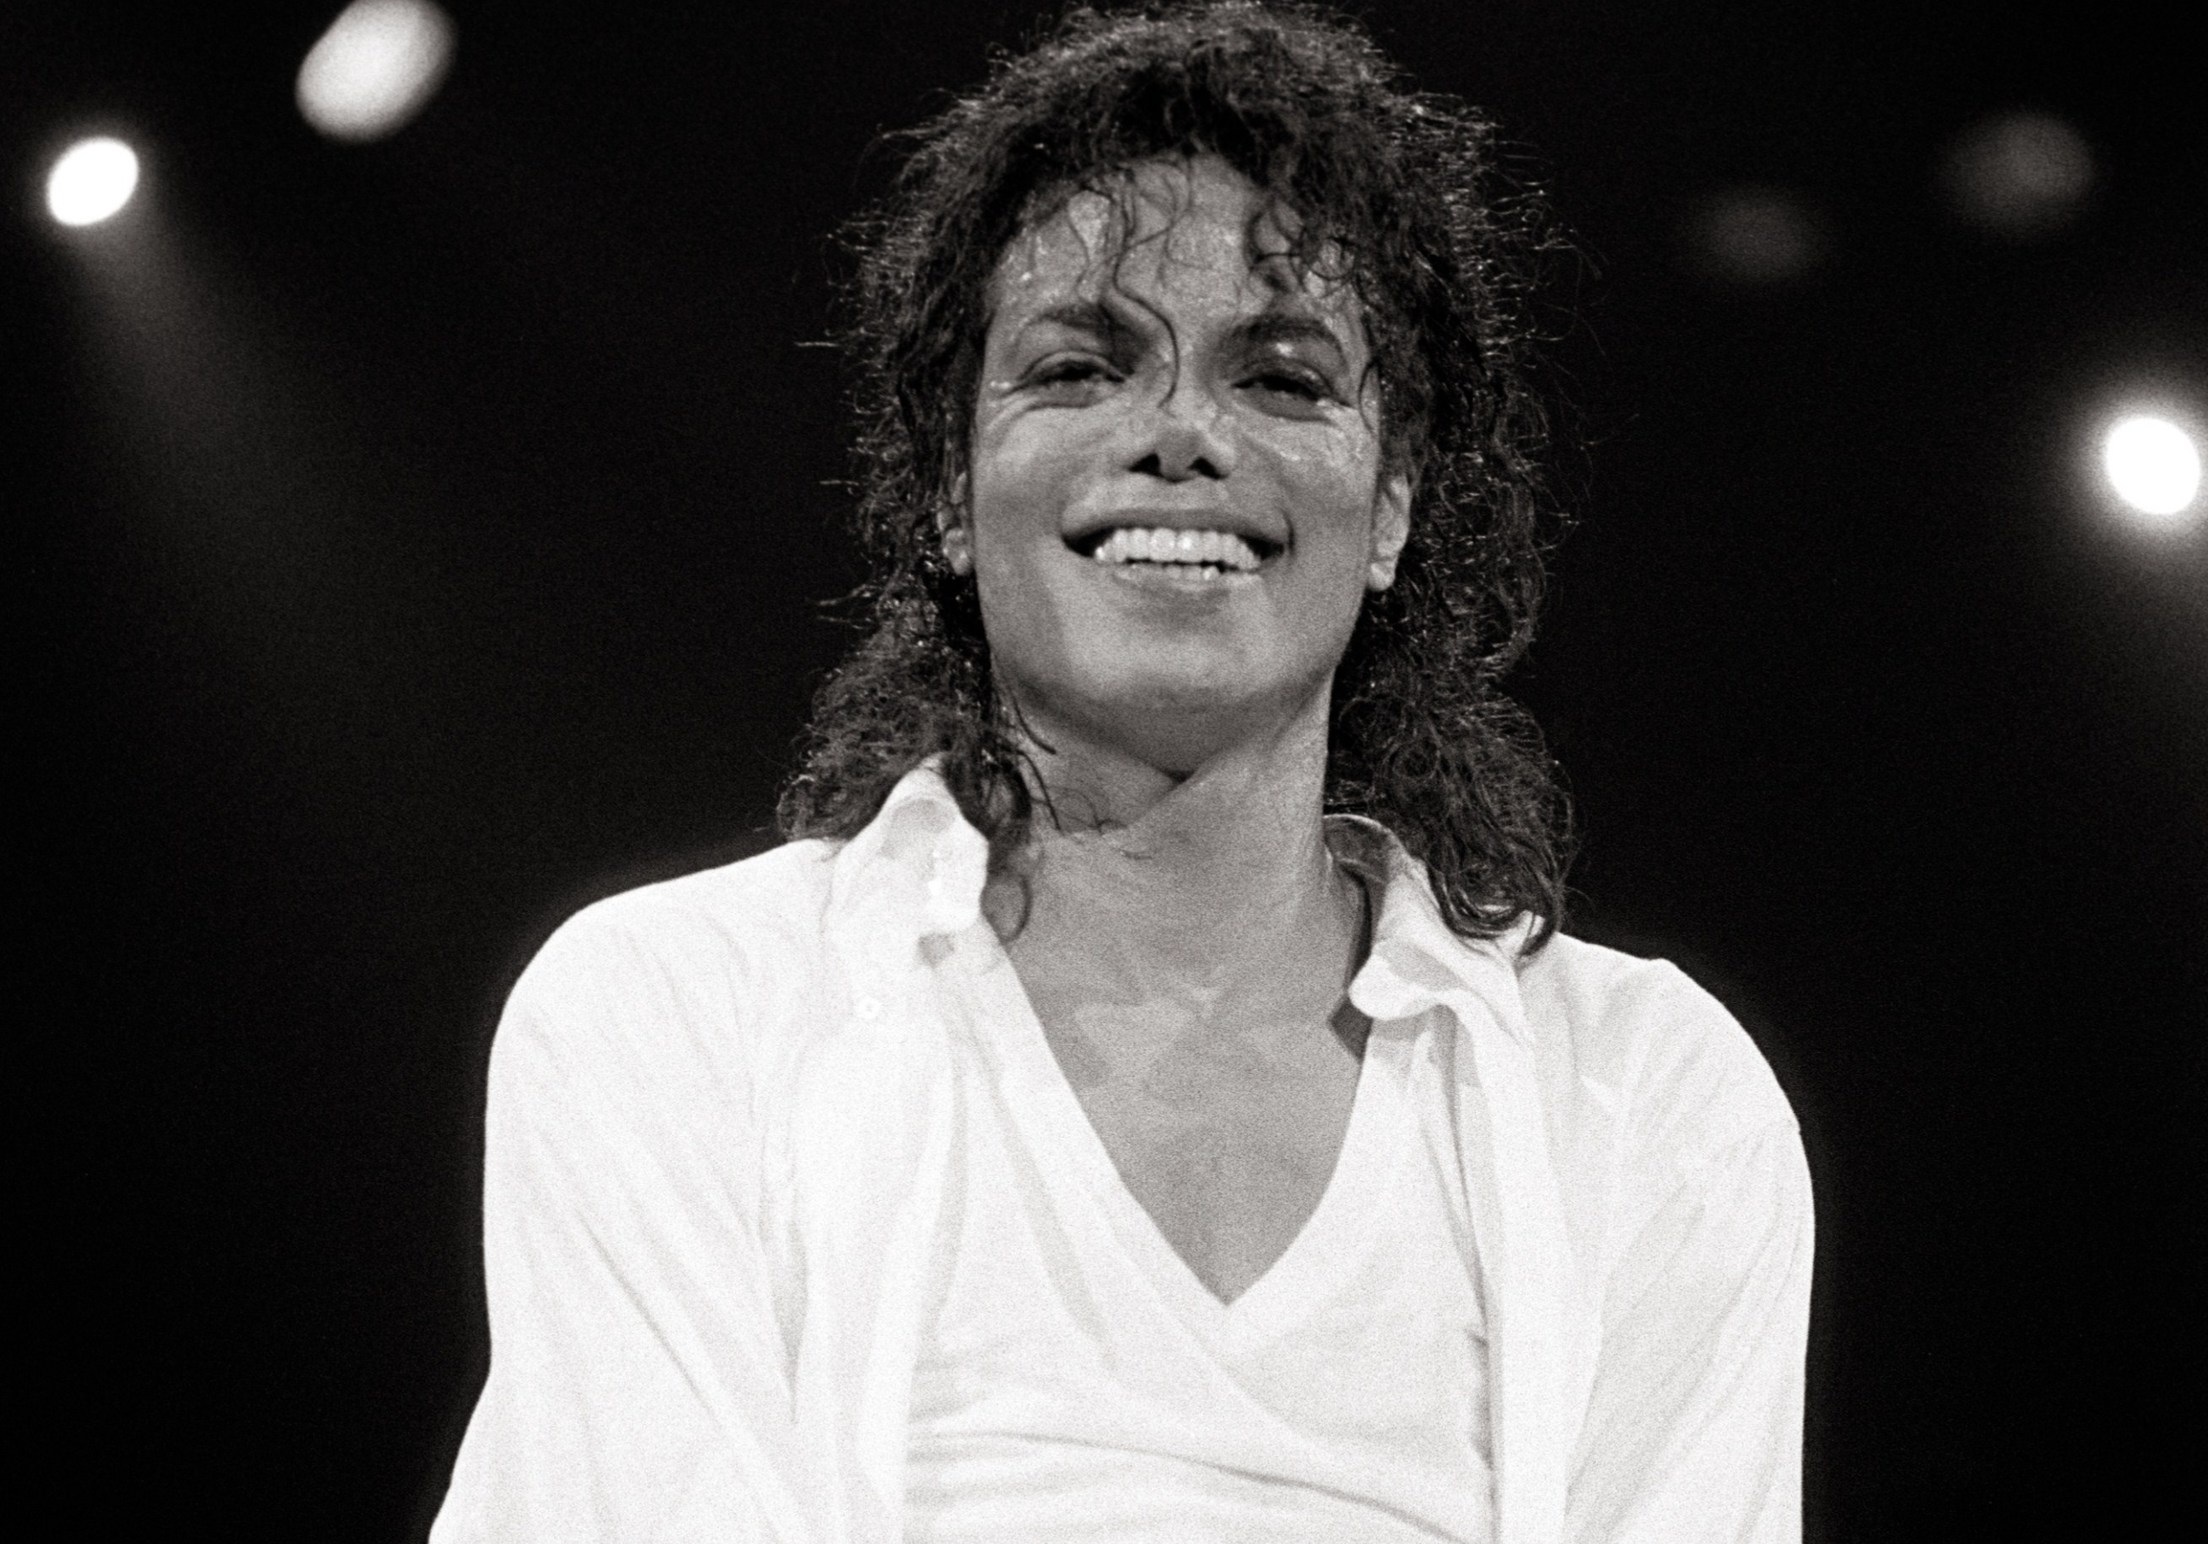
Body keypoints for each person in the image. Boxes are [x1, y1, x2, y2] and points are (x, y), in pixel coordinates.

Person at [428, 4, 1814, 1541]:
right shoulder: (679, 1017)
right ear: (950, 491)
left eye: (1282, 378)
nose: (1180, 435)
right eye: (1082, 365)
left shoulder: (1644, 1103)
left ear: (1394, 508)